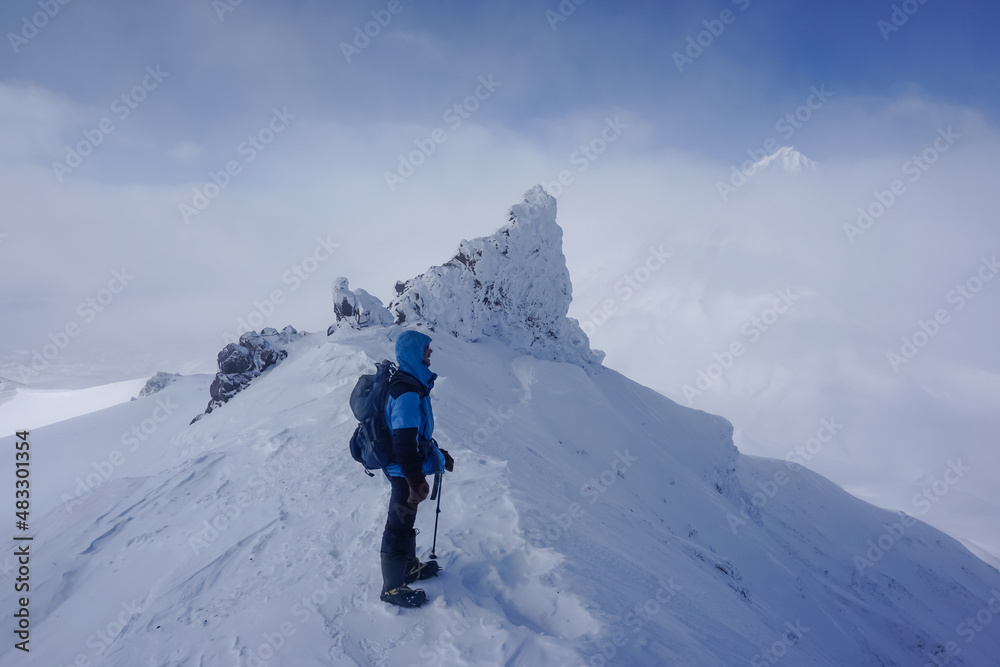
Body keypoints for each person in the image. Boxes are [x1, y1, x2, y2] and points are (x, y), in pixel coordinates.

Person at [379, 330, 454, 607]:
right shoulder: (407, 391)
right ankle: (392, 588)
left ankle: (407, 568)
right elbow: (403, 440)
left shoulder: (412, 384)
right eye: (426, 349)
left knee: (405, 520)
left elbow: (416, 434)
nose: (430, 353)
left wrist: (438, 454)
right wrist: (414, 480)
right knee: (398, 525)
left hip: (403, 467)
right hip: (401, 471)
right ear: (414, 353)